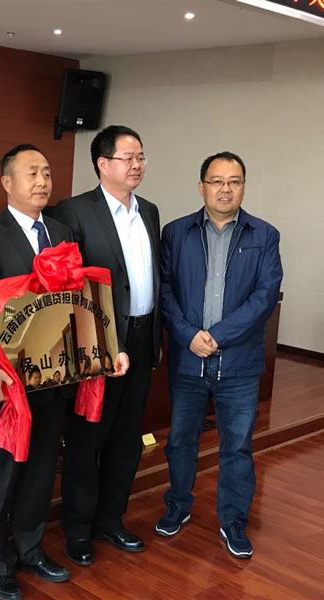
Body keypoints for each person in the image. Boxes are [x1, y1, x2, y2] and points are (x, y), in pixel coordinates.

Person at [157, 151, 282, 559]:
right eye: (217, 181)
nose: (225, 189)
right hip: (188, 360)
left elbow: (265, 297)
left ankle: (233, 520)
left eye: (234, 181)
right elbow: (165, 290)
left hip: (239, 365)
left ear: (243, 186)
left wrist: (216, 336)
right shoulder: (176, 233)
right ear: (202, 187)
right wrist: (188, 335)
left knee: (237, 446)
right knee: (180, 441)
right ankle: (177, 505)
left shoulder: (265, 235)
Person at [54, 125, 161, 565]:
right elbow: (69, 287)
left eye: (141, 157)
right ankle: (78, 529)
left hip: (142, 336)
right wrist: (99, 344)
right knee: (87, 439)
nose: (137, 165)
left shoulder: (149, 211)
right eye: (128, 157)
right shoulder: (75, 211)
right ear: (103, 163)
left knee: (127, 438)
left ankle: (110, 520)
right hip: (98, 342)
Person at [0, 144, 73, 600]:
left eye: (46, 172)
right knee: (3, 470)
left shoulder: (61, 231)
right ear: (6, 182)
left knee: (41, 467)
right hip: (8, 378)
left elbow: (73, 299)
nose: (42, 181)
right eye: (32, 173)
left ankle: (30, 547)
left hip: (55, 373)